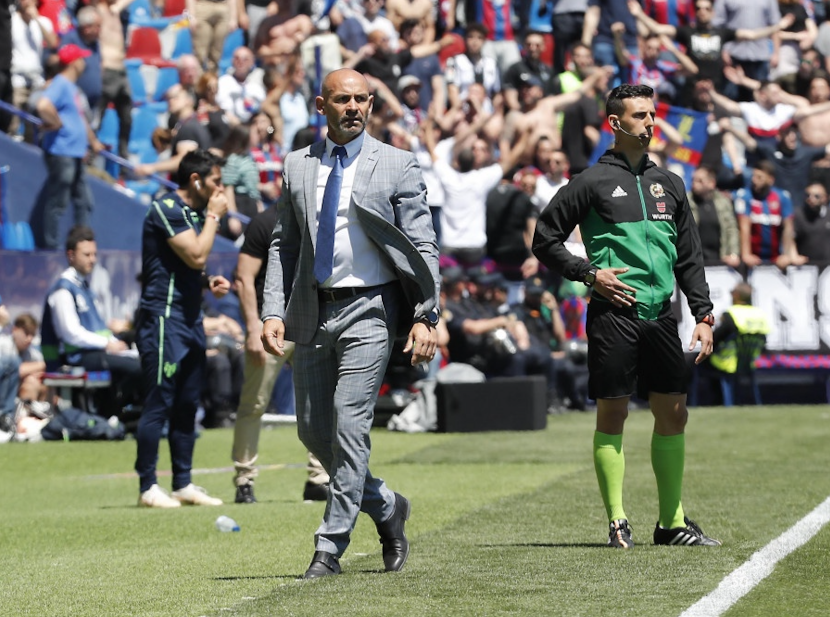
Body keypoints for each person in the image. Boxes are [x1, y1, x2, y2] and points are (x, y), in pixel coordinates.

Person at [260, 68, 440, 578]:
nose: (355, 107)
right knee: (314, 432)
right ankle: (385, 505)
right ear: (322, 106)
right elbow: (284, 244)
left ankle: (329, 546)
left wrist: (427, 313)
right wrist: (273, 308)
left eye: (363, 99)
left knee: (349, 421)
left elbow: (423, 244)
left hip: (372, 309)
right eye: (343, 100)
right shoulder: (296, 165)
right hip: (312, 310)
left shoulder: (398, 163)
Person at [532, 83, 721, 548]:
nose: (651, 123)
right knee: (613, 412)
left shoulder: (671, 184)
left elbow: (689, 257)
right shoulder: (590, 182)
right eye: (640, 116)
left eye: (652, 115)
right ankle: (617, 521)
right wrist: (589, 273)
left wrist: (702, 313)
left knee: (673, 413)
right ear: (615, 124)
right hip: (613, 315)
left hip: (663, 316)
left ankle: (671, 523)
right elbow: (545, 239)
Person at [134, 149, 231, 509]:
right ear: (196, 180)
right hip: (163, 319)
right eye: (216, 182)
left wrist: (207, 283)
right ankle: (147, 486)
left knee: (188, 403)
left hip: (190, 319)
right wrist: (213, 218)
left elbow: (189, 266)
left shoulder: (191, 214)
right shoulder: (167, 208)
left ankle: (182, 483)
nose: (221, 190)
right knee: (159, 401)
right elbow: (196, 254)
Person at [230, 205, 331, 504]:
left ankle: (319, 478)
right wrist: (251, 327)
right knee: (254, 404)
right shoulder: (264, 221)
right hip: (269, 326)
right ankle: (244, 479)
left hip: (310, 324)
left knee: (318, 405)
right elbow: (244, 278)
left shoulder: (322, 217)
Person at [40, 225, 143, 414]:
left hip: (95, 353)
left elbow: (99, 329)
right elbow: (71, 334)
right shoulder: (63, 289)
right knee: (137, 368)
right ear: (71, 255)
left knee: (145, 361)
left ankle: (118, 414)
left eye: (94, 254)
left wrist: (115, 343)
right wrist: (107, 344)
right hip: (76, 358)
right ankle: (114, 414)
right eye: (86, 255)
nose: (92, 260)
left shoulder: (85, 288)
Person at [34, 44, 103, 250]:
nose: (84, 62)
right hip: (62, 153)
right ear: (74, 63)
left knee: (84, 202)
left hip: (74, 153)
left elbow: (79, 118)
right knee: (58, 203)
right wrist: (56, 123)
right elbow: (43, 105)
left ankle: (82, 247)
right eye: (81, 59)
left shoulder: (72, 88)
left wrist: (92, 142)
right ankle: (52, 250)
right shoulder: (61, 83)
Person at [687, 165, 741, 267]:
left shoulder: (723, 202)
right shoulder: (686, 201)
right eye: (693, 180)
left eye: (700, 181)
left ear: (711, 183)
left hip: (720, 261)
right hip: (694, 263)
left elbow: (731, 229)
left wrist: (733, 254)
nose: (694, 184)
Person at [793, 181, 830, 262]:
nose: (811, 199)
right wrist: (794, 255)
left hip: (827, 268)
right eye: (808, 195)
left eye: (816, 196)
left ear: (825, 198)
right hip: (805, 268)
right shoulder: (798, 215)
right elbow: (790, 239)